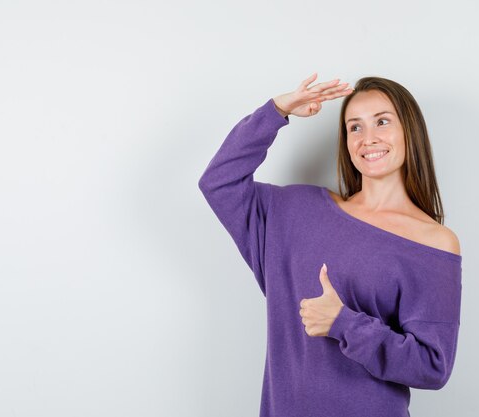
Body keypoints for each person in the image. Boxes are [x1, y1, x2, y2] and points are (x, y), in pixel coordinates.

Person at [198, 73, 462, 417]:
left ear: (409, 132)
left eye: (382, 121)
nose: (368, 138)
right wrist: (277, 111)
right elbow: (219, 182)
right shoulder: (295, 212)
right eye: (355, 127)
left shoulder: (433, 242)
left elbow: (432, 366)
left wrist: (344, 323)